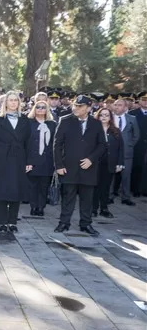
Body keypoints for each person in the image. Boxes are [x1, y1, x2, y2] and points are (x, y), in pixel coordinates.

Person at [53, 95, 106, 236]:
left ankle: (86, 224)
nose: (76, 108)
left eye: (80, 106)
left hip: (88, 168)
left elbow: (102, 145)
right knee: (68, 196)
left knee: (87, 198)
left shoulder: (96, 123)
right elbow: (57, 145)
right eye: (75, 105)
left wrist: (91, 159)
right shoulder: (65, 121)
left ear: (89, 108)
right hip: (69, 167)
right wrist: (59, 165)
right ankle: (64, 222)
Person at [0, 91, 32, 233]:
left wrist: (29, 161)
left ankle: (12, 222)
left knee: (16, 190)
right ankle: (2, 222)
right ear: (5, 102)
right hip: (1, 158)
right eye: (10, 100)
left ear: (19, 103)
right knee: (2, 190)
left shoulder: (24, 119)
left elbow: (29, 142)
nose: (13, 102)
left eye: (15, 100)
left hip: (19, 158)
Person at [26, 100, 56, 216]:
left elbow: (55, 143)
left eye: (43, 107)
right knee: (33, 185)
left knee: (44, 185)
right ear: (34, 108)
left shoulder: (52, 124)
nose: (40, 109)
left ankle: (41, 207)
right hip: (32, 158)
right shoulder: (28, 122)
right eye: (38, 107)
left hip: (47, 159)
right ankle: (33, 206)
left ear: (47, 110)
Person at [93, 108, 123, 218]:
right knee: (95, 186)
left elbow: (121, 148)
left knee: (105, 187)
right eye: (101, 115)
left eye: (107, 115)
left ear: (110, 117)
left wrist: (120, 163)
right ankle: (93, 208)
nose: (104, 117)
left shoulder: (115, 131)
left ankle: (104, 208)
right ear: (98, 116)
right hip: (95, 162)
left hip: (110, 162)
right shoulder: (93, 130)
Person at [110, 99, 139, 206]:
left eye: (119, 105)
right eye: (115, 105)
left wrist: (130, 145)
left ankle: (126, 197)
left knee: (126, 176)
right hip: (112, 153)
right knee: (111, 175)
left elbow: (136, 135)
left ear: (125, 107)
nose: (117, 107)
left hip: (127, 153)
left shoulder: (132, 118)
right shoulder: (109, 118)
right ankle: (109, 196)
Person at [129, 91, 147, 196]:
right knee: (137, 167)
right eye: (144, 100)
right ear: (139, 101)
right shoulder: (132, 114)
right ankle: (135, 189)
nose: (146, 102)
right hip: (137, 145)